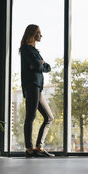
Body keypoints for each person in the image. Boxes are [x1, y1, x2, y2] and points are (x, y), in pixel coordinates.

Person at [19, 24, 55, 157]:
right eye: (39, 33)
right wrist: (40, 64)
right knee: (30, 116)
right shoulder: (26, 49)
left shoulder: (34, 51)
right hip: (32, 86)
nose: (41, 35)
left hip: (38, 88)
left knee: (49, 117)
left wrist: (41, 64)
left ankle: (39, 147)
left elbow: (45, 67)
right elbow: (38, 66)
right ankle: (29, 149)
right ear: (33, 34)